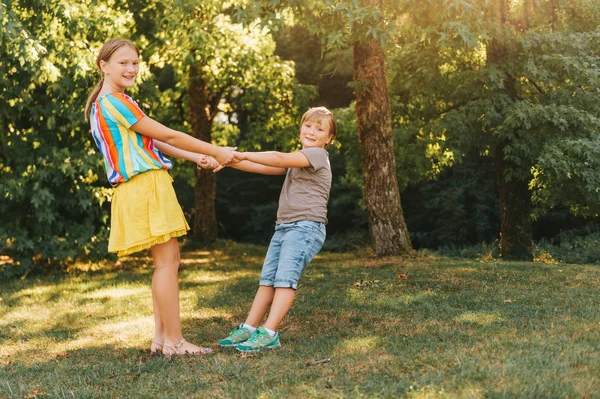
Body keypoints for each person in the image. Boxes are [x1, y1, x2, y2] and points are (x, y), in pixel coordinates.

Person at [84, 38, 233, 356]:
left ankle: (162, 339)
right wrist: (216, 150)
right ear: (104, 65)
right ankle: (176, 343)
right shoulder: (116, 102)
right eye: (123, 62)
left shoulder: (105, 104)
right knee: (168, 264)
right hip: (145, 185)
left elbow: (157, 143)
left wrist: (195, 158)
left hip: (136, 187)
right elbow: (168, 133)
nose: (131, 68)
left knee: (165, 264)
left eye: (135, 62)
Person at [216, 106, 337, 352]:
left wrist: (238, 153)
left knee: (284, 281)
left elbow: (278, 158)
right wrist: (228, 160)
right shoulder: (299, 161)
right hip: (284, 227)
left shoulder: (317, 156)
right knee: (267, 280)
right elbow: (262, 167)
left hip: (306, 227)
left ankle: (269, 333)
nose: (312, 131)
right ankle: (249, 329)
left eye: (319, 128)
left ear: (329, 138)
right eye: (308, 125)